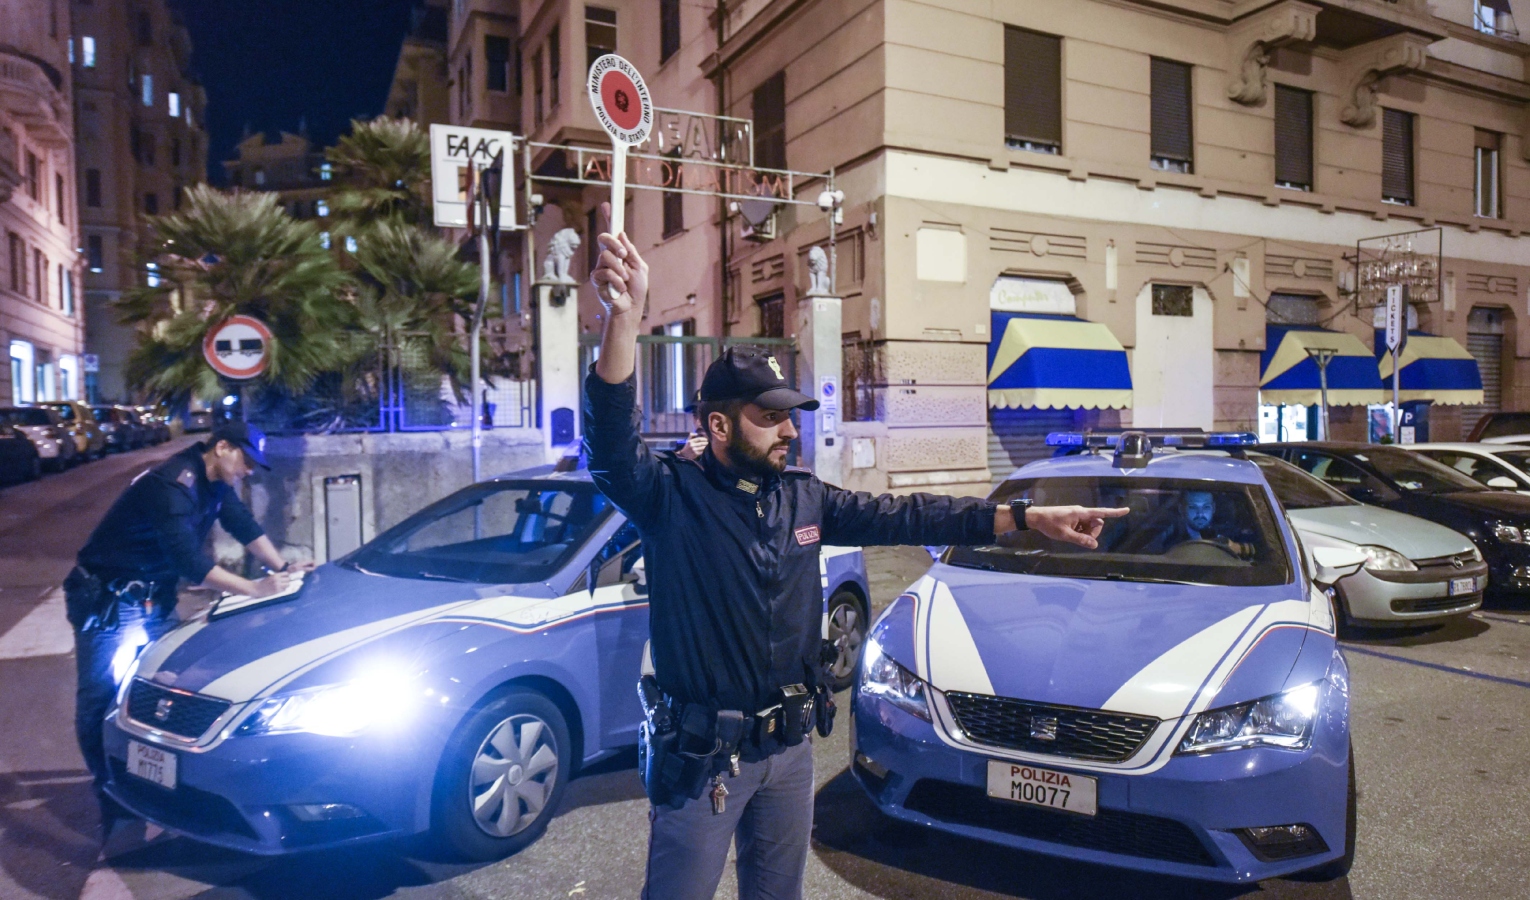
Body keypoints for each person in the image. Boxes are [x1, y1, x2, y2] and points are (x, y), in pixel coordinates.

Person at [583, 204, 1127, 900]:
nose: (789, 431)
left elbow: (910, 514)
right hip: (703, 764)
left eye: (791, 416)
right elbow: (608, 446)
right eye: (770, 417)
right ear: (718, 425)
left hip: (789, 751)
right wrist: (623, 321)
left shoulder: (803, 498)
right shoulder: (671, 496)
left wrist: (1024, 518)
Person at [64, 421, 311, 834]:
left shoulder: (214, 485)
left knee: (166, 686)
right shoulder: (170, 485)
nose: (248, 470)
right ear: (222, 448)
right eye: (245, 461)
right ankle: (107, 786)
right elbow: (189, 562)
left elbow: (243, 525)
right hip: (107, 597)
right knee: (99, 693)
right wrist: (254, 588)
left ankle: (156, 775)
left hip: (151, 596)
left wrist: (284, 568)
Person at [1144, 489, 1254, 558]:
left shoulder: (1230, 530)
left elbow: (1262, 552)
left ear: (1214, 508)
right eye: (1193, 507)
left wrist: (1238, 548)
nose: (1200, 514)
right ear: (1181, 509)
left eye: (1206, 507)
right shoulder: (1168, 534)